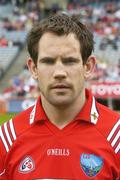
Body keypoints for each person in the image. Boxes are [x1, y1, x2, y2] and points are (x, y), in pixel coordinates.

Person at [0, 13, 120, 180]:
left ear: (88, 67)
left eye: (69, 61)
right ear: (33, 68)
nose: (59, 73)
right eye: (48, 61)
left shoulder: (117, 136)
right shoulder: (6, 139)